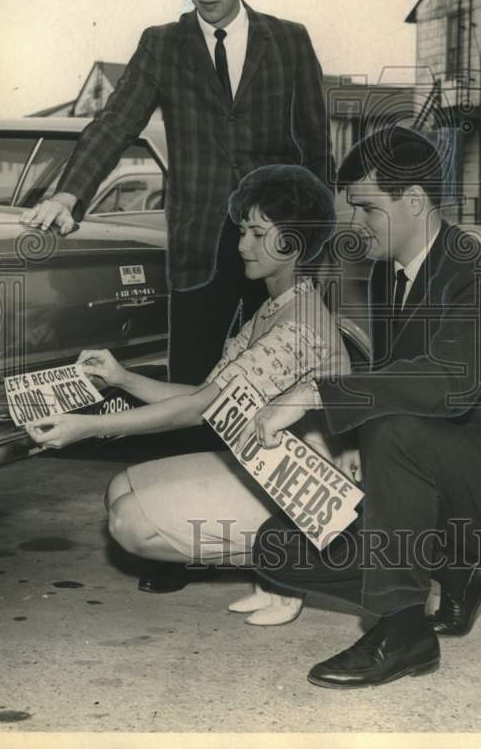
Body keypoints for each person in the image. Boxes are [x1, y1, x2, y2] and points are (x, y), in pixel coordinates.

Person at [242, 126, 481, 687]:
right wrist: (342, 452)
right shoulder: (389, 275)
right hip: (432, 478)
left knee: (391, 429)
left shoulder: (477, 273)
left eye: (368, 208)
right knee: (277, 549)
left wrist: (316, 395)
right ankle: (462, 568)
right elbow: (392, 381)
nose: (357, 222)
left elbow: (448, 384)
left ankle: (402, 630)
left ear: (413, 200)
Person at [25, 164, 355, 626]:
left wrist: (87, 427)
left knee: (131, 523)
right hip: (272, 469)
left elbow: (198, 410)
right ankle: (275, 566)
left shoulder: (298, 325)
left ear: (293, 243)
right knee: (121, 489)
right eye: (243, 230)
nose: (242, 244)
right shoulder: (277, 307)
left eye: (258, 233)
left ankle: (291, 566)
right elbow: (206, 394)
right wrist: (122, 378)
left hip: (311, 495)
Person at [21, 0, 333, 388]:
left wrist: (312, 248)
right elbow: (114, 124)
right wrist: (69, 194)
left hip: (278, 249)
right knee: (189, 389)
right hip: (198, 252)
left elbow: (316, 155)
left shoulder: (291, 41)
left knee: (278, 390)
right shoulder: (162, 46)